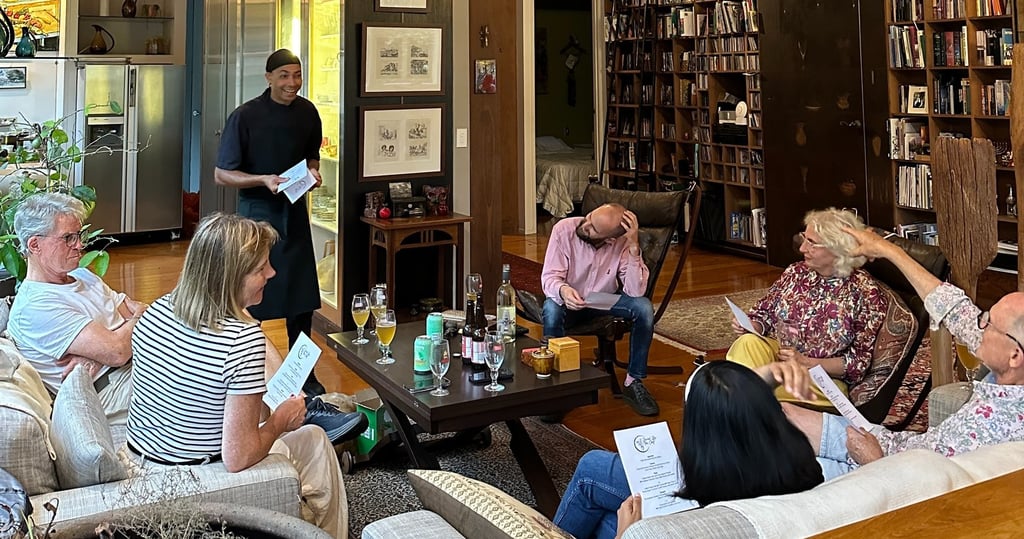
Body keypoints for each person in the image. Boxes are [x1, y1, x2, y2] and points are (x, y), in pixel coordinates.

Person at [126, 213, 353, 538]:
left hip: (147, 459)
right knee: (314, 439)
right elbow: (238, 456)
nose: (272, 273)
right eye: (261, 268)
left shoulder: (158, 310)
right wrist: (281, 420)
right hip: (201, 474)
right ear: (230, 276)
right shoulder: (239, 340)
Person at [782, 226, 1024, 480]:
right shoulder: (1008, 362)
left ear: (1015, 356)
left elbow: (935, 497)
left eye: (988, 322)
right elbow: (952, 306)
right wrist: (887, 249)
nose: (978, 325)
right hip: (889, 445)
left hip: (881, 476)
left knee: (768, 464)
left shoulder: (1002, 431)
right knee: (776, 415)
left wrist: (873, 461)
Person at [553, 361, 824, 539]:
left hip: (684, 518)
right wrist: (758, 383)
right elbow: (742, 419)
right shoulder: (799, 463)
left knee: (601, 507)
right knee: (597, 480)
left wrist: (628, 534)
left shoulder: (706, 519)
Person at [214, 48, 325, 396]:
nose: (292, 83)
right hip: (256, 222)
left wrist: (313, 172)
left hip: (294, 215)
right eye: (284, 76)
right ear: (268, 78)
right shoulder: (245, 116)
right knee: (253, 304)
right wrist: (262, 180)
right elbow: (222, 174)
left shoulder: (308, 113)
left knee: (302, 305)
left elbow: (311, 156)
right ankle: (251, 378)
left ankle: (303, 377)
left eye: (296, 75)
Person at [727, 208, 889, 408]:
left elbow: (857, 363)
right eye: (804, 238)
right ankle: (748, 407)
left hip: (820, 376)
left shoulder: (865, 293)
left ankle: (740, 410)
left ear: (837, 249)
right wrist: (753, 325)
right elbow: (764, 312)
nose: (802, 248)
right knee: (748, 343)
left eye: (812, 243)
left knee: (752, 385)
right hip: (779, 359)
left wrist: (805, 361)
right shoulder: (796, 272)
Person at [7, 192, 143, 426]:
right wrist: (136, 322)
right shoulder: (35, 306)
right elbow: (119, 350)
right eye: (68, 238)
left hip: (132, 365)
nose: (79, 245)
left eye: (79, 235)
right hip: (110, 390)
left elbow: (142, 313)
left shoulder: (83, 276)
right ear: (35, 244)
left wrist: (100, 357)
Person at [541, 203, 657, 416]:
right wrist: (564, 291)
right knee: (551, 307)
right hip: (569, 301)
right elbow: (549, 278)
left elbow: (635, 291)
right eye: (589, 217)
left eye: (593, 228)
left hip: (603, 302)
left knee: (644, 308)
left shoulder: (621, 244)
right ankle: (553, 390)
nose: (584, 225)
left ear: (610, 239)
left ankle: (634, 382)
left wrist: (633, 247)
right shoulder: (564, 229)